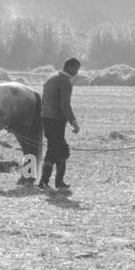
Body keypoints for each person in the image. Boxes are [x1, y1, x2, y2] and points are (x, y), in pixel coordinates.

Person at [39, 58, 81, 190]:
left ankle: (57, 182)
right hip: (56, 120)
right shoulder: (65, 82)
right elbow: (64, 104)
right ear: (70, 67)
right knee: (55, 150)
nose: (77, 72)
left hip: (46, 117)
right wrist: (73, 121)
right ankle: (45, 182)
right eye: (76, 69)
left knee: (60, 149)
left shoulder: (51, 77)